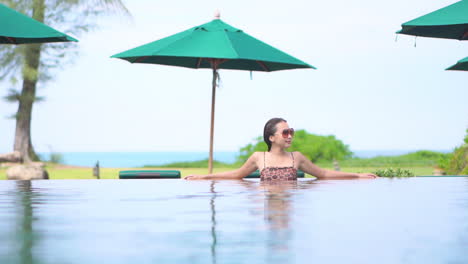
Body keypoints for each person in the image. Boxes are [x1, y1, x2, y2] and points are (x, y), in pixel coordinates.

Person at [184, 118, 377, 181]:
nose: (290, 136)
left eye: (291, 132)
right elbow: (236, 175)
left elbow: (324, 174)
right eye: (285, 133)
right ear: (271, 137)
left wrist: (357, 176)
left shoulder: (297, 157)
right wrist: (203, 178)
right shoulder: (258, 157)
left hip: (290, 202)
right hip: (268, 205)